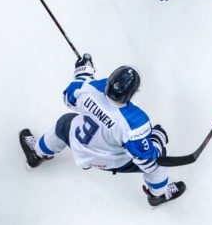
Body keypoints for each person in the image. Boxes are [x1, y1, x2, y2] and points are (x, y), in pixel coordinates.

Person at [18, 54, 186, 207]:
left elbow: (70, 96)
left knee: (63, 124)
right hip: (110, 161)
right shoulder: (135, 122)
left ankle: (36, 155)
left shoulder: (88, 89)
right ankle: (157, 194)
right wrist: (157, 139)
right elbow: (147, 162)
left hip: (78, 143)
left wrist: (84, 70)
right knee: (159, 161)